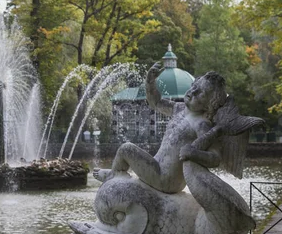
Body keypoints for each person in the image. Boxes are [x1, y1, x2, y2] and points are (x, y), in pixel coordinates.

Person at [94, 63, 228, 194]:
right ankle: (117, 172)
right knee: (127, 150)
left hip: (166, 179)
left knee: (126, 149)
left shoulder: (202, 124)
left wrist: (194, 153)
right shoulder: (180, 108)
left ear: (209, 105)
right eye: (194, 86)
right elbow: (156, 103)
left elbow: (215, 158)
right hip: (157, 167)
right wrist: (150, 82)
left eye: (201, 94)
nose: (193, 92)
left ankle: (114, 174)